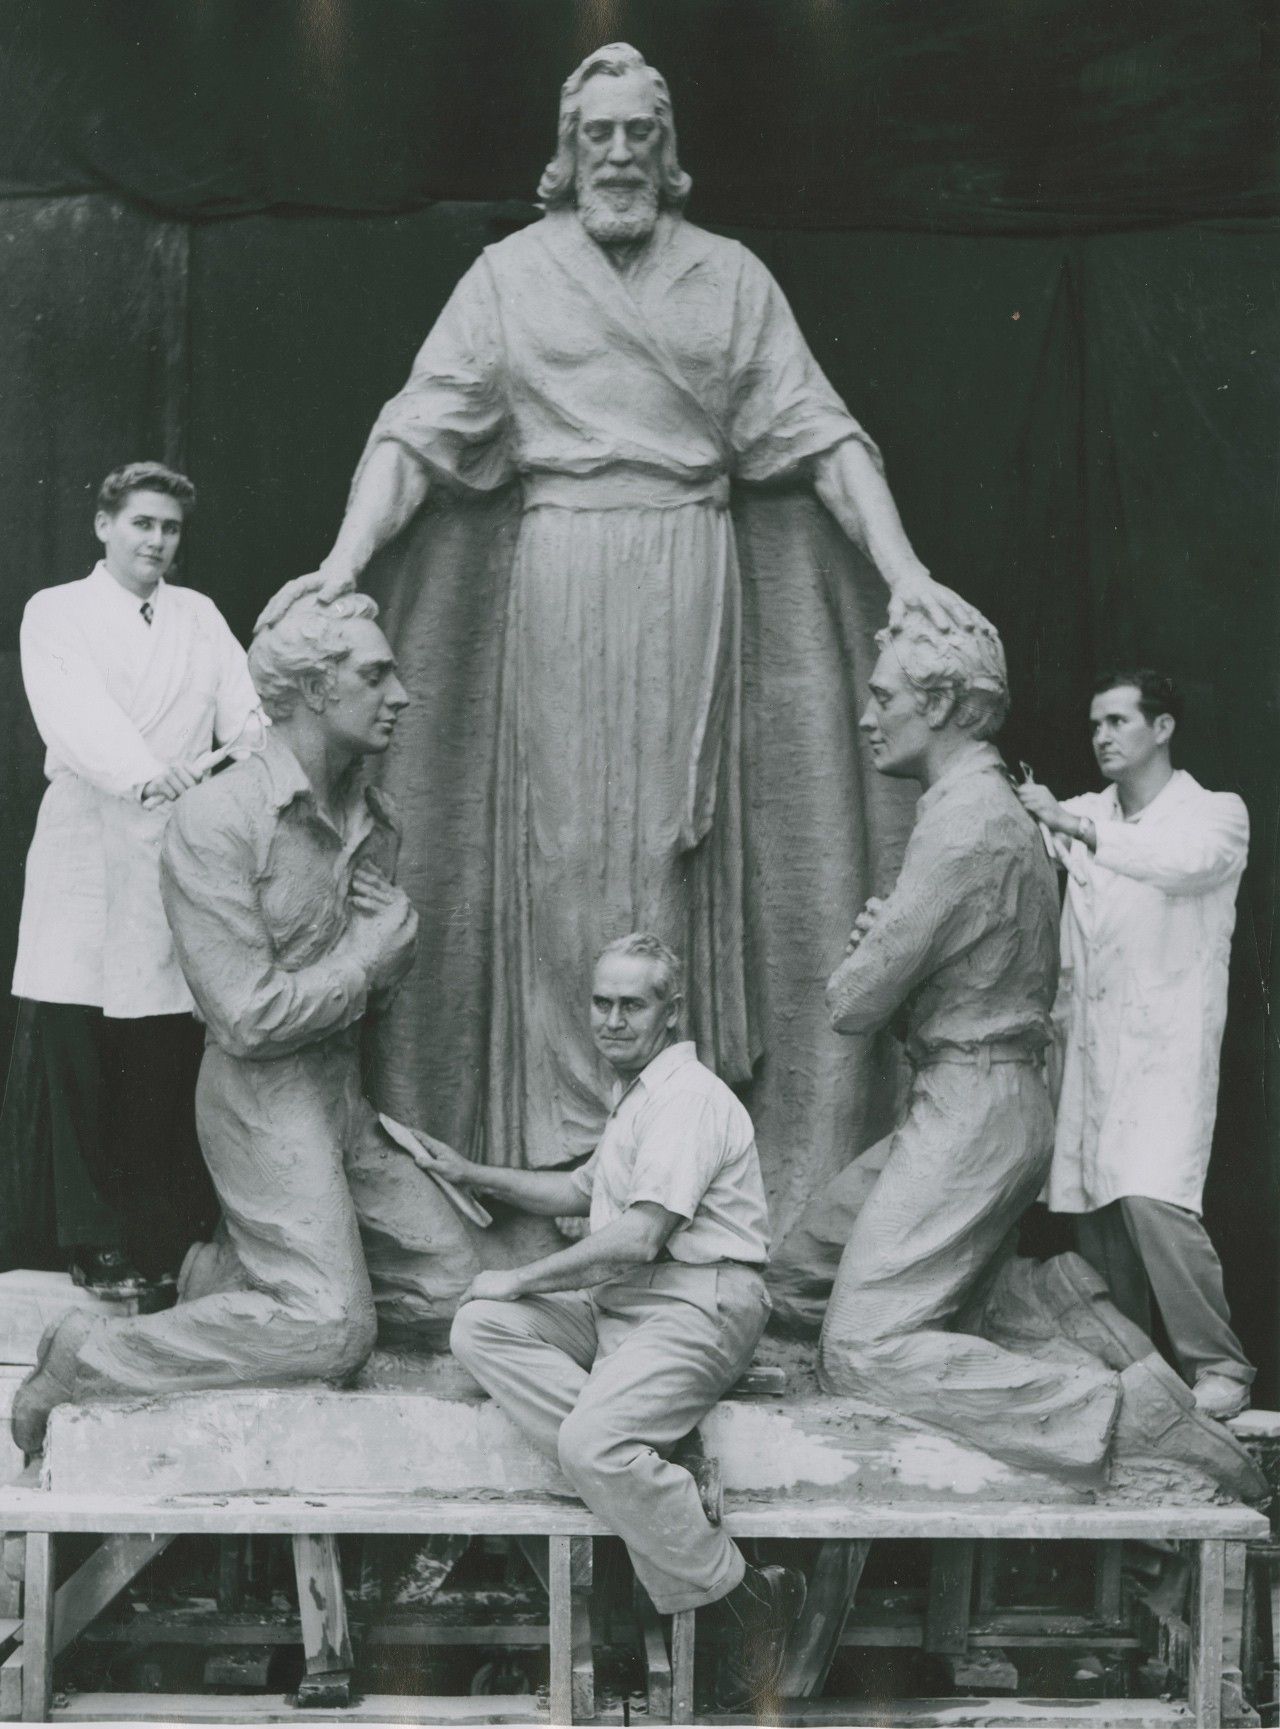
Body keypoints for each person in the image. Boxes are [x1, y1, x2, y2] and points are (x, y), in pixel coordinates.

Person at [264, 43, 987, 1178]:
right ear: (567, 148)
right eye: (594, 133)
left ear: (664, 149)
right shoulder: (507, 278)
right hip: (557, 567)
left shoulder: (730, 278)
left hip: (688, 564)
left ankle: (670, 1155)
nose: (615, 154)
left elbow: (820, 434)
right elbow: (416, 434)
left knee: (671, 843)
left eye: (635, 134)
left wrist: (904, 575)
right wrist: (343, 561)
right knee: (559, 848)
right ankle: (563, 1145)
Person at [11, 590, 556, 1454]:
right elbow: (246, 1018)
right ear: (308, 688)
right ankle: (94, 1356)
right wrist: (376, 955)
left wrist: (388, 957)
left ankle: (225, 1278)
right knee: (336, 1331)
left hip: (342, 1101)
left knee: (470, 1293)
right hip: (260, 1101)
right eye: (374, 675)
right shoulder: (215, 820)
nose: (402, 693)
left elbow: (366, 993)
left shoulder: (377, 825)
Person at [811, 604, 1262, 1498]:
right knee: (798, 1275)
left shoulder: (992, 821)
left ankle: (1124, 1414)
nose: (866, 716)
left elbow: (852, 1000)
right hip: (974, 1086)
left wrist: (882, 956)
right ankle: (1060, 1307)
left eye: (883, 696)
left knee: (862, 1347)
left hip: (990, 1099)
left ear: (940, 704)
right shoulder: (1002, 810)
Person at [427, 933, 802, 1712]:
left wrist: (522, 1272)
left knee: (588, 1439)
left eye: (633, 1004)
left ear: (671, 1012)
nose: (612, 1020)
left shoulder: (687, 1097)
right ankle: (640, 1454)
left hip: (701, 1302)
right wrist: (470, 1174)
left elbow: (637, 1236)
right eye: (602, 1002)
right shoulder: (639, 1094)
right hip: (629, 1307)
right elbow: (579, 1190)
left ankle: (741, 1595)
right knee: (482, 1325)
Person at [12, 462, 259, 1295]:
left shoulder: (200, 616)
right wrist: (149, 774)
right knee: (80, 1042)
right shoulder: (57, 611)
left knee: (157, 1050)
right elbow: (74, 716)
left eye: (171, 529)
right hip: (89, 837)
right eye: (142, 524)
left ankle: (157, 1238)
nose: (157, 541)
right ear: (104, 525)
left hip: (177, 849)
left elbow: (248, 718)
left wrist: (216, 772)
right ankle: (91, 1239)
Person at [1016, 670, 1255, 1421]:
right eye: (1094, 725)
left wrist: (1071, 825)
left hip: (1165, 1046)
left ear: (1163, 728)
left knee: (1154, 1195)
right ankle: (1139, 1373)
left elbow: (1180, 867)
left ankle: (1220, 1363)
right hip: (1089, 1046)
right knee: (1094, 1203)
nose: (1102, 737)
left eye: (1118, 720)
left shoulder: (1216, 814)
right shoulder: (1082, 811)